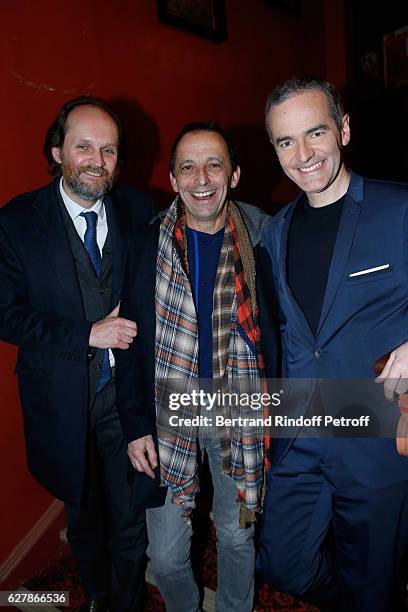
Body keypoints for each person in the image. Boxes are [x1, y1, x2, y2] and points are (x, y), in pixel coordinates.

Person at [256, 75, 408, 611]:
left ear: (343, 129)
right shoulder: (273, 234)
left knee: (372, 584)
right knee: (282, 564)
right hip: (303, 432)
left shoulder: (399, 208)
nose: (304, 154)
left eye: (315, 133)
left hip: (377, 436)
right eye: (286, 141)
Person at [0, 96, 155, 612]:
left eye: (108, 150)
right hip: (61, 406)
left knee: (131, 521)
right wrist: (86, 333)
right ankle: (99, 599)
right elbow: (4, 313)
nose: (97, 159)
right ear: (56, 150)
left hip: (125, 400)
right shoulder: (17, 221)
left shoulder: (139, 208)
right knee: (85, 523)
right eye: (84, 146)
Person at [115, 122, 276, 612]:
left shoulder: (264, 235)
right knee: (164, 558)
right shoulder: (145, 245)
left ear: (235, 174)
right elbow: (128, 341)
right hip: (168, 415)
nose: (201, 178)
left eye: (214, 164)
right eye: (187, 166)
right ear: (172, 178)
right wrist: (135, 425)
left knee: (235, 536)